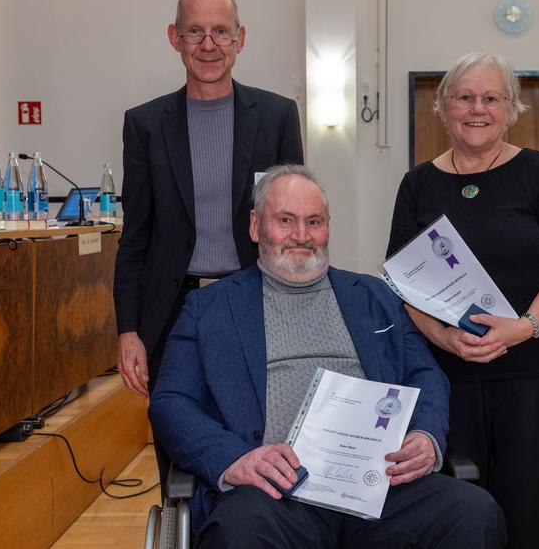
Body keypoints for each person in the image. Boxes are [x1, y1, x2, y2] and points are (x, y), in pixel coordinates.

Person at [149, 165, 506, 547]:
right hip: (274, 495)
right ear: (256, 226)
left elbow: (424, 374)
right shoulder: (209, 308)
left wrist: (424, 435)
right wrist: (235, 458)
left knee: (474, 513)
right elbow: (171, 402)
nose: (302, 236)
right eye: (285, 221)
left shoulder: (374, 297)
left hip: (379, 488)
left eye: (314, 222)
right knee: (237, 533)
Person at [387, 52, 539, 549]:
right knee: (457, 507)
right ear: (443, 107)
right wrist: (444, 337)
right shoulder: (418, 184)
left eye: (491, 98)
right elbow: (400, 280)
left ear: (510, 109)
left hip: (536, 368)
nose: (477, 108)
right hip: (449, 370)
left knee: (524, 508)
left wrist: (524, 326)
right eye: (464, 97)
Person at [114, 0, 303, 399]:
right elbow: (135, 236)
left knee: (258, 434)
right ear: (174, 37)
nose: (208, 44)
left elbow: (296, 227)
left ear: (240, 38)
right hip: (170, 313)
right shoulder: (145, 125)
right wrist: (128, 329)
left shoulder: (277, 117)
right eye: (194, 31)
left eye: (220, 30)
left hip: (258, 303)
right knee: (175, 433)